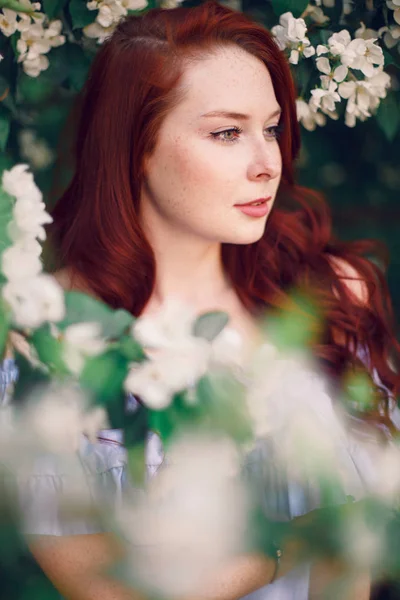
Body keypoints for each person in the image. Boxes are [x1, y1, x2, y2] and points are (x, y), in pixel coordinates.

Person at [2, 1, 399, 598]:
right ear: (137, 147)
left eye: (270, 128)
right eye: (227, 132)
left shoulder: (332, 292)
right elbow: (111, 592)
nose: (268, 164)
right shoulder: (41, 340)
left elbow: (358, 568)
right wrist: (300, 537)